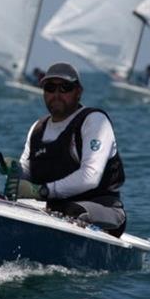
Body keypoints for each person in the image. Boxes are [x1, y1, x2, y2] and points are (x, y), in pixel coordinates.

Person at [10, 62, 127, 237]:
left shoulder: (94, 121)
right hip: (54, 212)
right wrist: (14, 172)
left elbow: (90, 177)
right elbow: (26, 172)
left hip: (101, 210)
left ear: (78, 92)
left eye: (65, 87)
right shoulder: (37, 129)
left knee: (72, 211)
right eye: (50, 88)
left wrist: (42, 191)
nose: (56, 94)